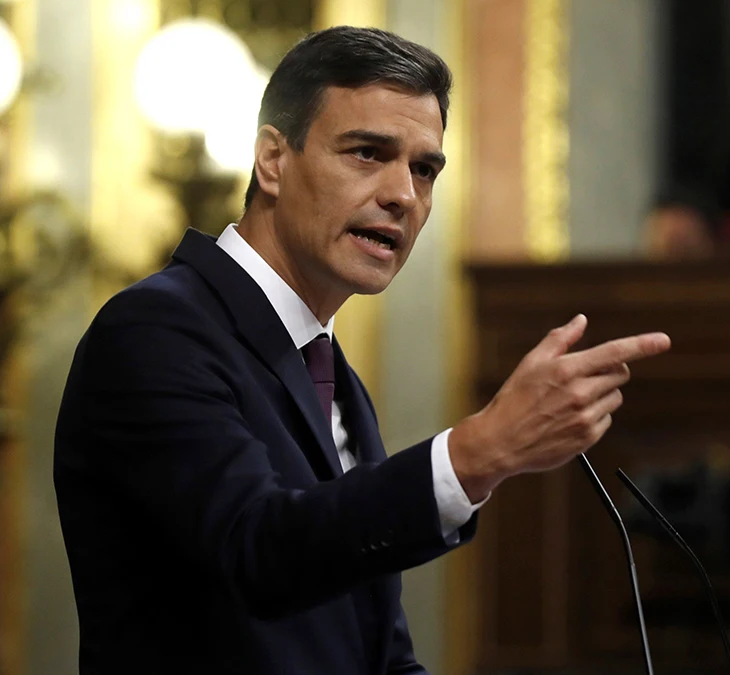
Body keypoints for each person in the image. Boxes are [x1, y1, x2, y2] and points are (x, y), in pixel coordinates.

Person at [54, 26, 670, 675]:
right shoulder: (156, 329)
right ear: (272, 160)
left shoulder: (333, 377)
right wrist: (474, 453)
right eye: (368, 153)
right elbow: (258, 551)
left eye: (424, 168)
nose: (403, 193)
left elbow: (377, 657)